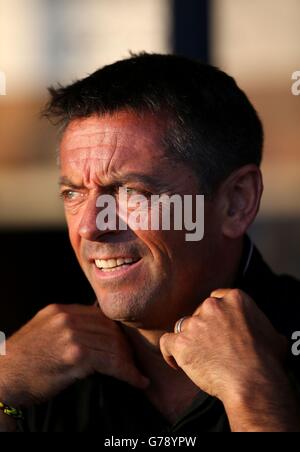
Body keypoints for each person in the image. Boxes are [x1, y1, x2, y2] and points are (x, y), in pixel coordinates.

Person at [1, 53, 300, 433]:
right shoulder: (30, 377)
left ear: (236, 202)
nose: (91, 227)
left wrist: (256, 400)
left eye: (131, 191)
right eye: (73, 193)